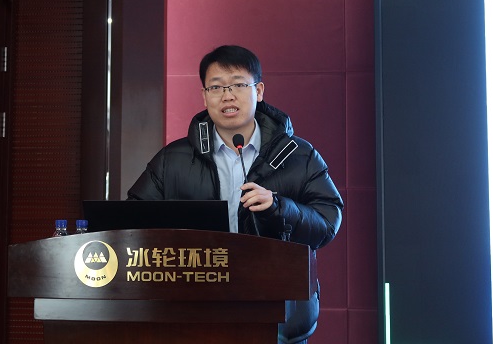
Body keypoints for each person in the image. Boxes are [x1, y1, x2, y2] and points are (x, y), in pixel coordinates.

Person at [127, 45, 343, 343]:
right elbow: (133, 221)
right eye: (216, 87)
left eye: (239, 85)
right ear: (204, 97)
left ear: (259, 91)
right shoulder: (173, 159)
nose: (227, 96)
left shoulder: (299, 156)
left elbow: (327, 223)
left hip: (277, 316)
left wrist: (279, 207)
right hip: (194, 315)